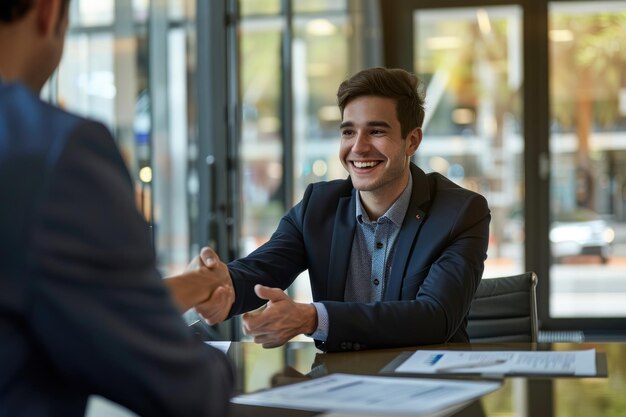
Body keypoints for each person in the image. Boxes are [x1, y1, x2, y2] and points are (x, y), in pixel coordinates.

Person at [0, 0, 233, 416]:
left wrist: (191, 287)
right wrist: (216, 366)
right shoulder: (55, 153)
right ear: (48, 12)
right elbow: (186, 388)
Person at [196, 67, 491, 353]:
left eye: (376, 131)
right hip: (339, 383)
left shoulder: (461, 213)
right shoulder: (318, 205)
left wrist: (313, 318)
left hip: (431, 388)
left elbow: (434, 317)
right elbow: (263, 269)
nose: (358, 148)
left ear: (411, 141)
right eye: (348, 132)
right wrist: (222, 286)